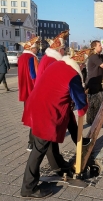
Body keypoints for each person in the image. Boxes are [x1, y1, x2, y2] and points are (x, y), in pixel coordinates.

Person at [20, 50, 88, 199]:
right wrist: (84, 106)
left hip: (36, 105)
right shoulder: (73, 75)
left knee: (47, 143)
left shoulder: (57, 65)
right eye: (83, 66)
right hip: (46, 112)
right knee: (39, 148)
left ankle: (58, 166)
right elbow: (80, 101)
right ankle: (28, 187)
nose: (83, 68)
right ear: (80, 64)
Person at [35, 30, 78, 172]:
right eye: (64, 49)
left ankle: (57, 163)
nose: (65, 52)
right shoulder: (52, 61)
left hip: (47, 102)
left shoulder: (48, 59)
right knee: (46, 139)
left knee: (51, 137)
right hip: (50, 104)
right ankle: (56, 165)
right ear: (59, 50)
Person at [18, 36, 40, 151]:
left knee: (30, 116)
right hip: (32, 91)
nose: (37, 49)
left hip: (25, 91)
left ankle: (31, 141)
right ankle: (31, 142)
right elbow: (33, 75)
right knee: (34, 117)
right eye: (36, 48)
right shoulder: (32, 58)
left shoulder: (21, 57)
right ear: (31, 48)